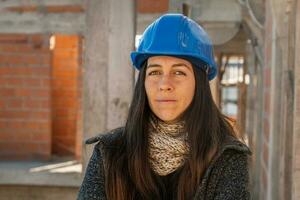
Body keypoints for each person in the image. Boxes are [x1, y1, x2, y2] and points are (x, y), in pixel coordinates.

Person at [77, 13, 252, 200]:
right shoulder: (109, 153)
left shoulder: (227, 158)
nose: (164, 84)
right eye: (155, 72)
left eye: (178, 72)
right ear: (143, 82)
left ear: (199, 83)